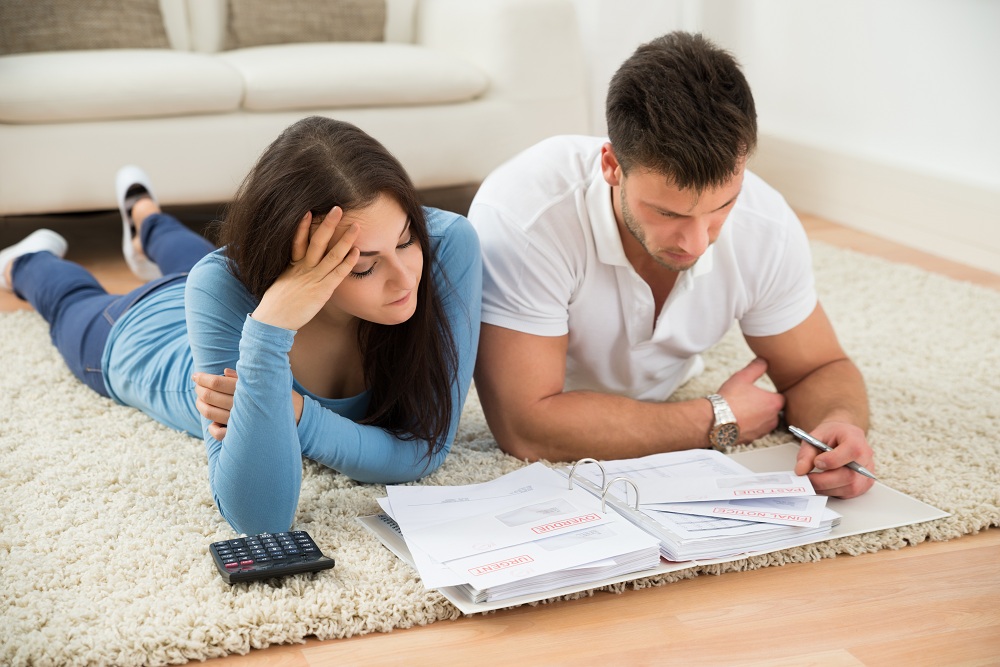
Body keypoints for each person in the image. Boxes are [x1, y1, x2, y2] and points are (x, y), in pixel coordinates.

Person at [0, 116, 482, 534]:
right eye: (362, 266)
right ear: (291, 266)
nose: (405, 278)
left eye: (405, 240)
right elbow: (260, 518)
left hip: (223, 288)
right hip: (139, 334)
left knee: (194, 259)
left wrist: (298, 415)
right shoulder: (222, 288)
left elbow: (425, 447)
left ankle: (144, 215)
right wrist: (269, 328)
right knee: (69, 299)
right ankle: (25, 261)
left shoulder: (446, 243)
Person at [468, 32, 874, 499]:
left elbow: (818, 368)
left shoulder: (766, 223)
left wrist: (839, 428)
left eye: (723, 206)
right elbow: (526, 428)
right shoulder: (526, 215)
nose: (698, 241)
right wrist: (716, 418)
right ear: (612, 165)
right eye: (669, 213)